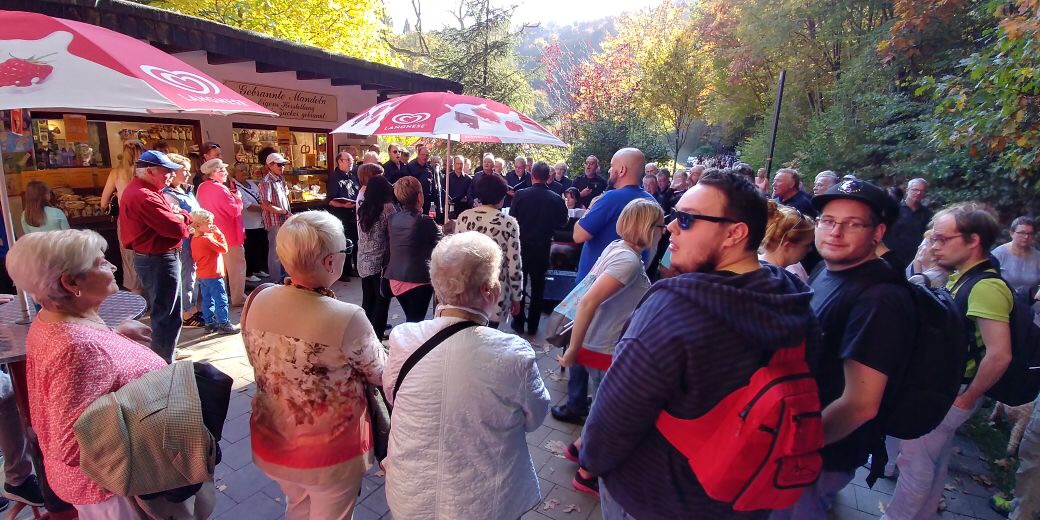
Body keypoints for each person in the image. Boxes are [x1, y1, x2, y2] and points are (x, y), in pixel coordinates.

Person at [580, 170, 818, 519]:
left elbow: (615, 415)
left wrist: (590, 462)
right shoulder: (794, 299)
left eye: (687, 220)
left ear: (735, 233)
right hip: (742, 495)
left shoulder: (673, 307)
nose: (671, 227)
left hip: (653, 497)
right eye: (675, 215)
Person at [7, 229, 213, 518]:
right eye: (101, 262)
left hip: (104, 486)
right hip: (117, 491)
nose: (113, 266)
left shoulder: (54, 319)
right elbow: (72, 446)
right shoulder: (78, 348)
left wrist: (113, 335)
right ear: (71, 283)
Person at [772, 178, 915, 519]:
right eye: (828, 221)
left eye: (852, 224)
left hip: (815, 458)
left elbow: (860, 404)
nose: (835, 232)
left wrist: (796, 447)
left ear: (878, 233)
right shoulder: (828, 268)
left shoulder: (879, 298)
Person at [382, 231, 550, 519]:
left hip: (409, 494)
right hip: (484, 504)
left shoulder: (404, 338)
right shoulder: (513, 353)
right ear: (489, 291)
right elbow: (535, 417)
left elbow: (392, 394)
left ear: (437, 287)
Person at [242, 211, 386, 520]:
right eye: (346, 249)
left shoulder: (258, 297)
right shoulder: (347, 317)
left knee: (298, 506)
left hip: (274, 439)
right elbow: (380, 373)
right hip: (329, 453)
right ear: (330, 262)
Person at [884, 202, 1012, 520]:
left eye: (942, 239)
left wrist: (966, 398)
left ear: (973, 241)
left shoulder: (986, 287)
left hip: (955, 391)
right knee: (934, 458)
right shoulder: (964, 277)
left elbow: (1000, 354)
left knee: (913, 460)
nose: (935, 245)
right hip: (951, 387)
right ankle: (924, 512)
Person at [557, 198, 664, 497]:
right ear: (647, 227)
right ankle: (586, 472)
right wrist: (574, 350)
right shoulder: (627, 261)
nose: (665, 230)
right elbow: (588, 301)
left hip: (602, 343)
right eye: (660, 225)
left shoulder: (620, 249)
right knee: (610, 413)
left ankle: (579, 448)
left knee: (603, 405)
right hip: (604, 347)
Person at [552, 148, 657, 425]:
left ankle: (576, 404)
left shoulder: (610, 198)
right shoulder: (649, 200)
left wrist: (592, 208)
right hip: (624, 294)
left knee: (584, 336)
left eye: (612, 165)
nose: (608, 170)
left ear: (621, 170)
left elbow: (578, 235)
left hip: (593, 285)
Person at [119, 150, 192, 362]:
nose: (171, 175)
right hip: (159, 258)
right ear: (150, 171)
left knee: (166, 312)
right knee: (167, 314)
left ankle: (166, 353)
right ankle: (163, 361)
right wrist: (183, 216)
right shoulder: (144, 195)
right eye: (166, 171)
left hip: (155, 257)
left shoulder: (144, 190)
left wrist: (178, 215)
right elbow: (175, 228)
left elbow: (173, 221)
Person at [509, 161, 569, 335]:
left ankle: (518, 321)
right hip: (543, 247)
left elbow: (512, 218)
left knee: (520, 285)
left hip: (522, 246)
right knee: (538, 287)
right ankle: (533, 325)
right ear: (548, 176)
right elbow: (563, 222)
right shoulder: (555, 198)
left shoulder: (520, 195)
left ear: (532, 176)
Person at [456, 174, 522, 328]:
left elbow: (457, 255)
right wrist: (516, 297)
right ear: (502, 197)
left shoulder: (464, 218)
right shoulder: (508, 223)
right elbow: (514, 264)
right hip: (494, 294)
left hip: (467, 290)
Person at [386, 177, 442, 322]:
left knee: (412, 319)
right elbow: (442, 243)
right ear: (419, 196)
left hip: (395, 278)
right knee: (415, 322)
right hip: (417, 278)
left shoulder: (392, 218)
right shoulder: (424, 221)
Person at [197, 158, 247, 310]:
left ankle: (220, 297)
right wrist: (238, 198)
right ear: (213, 173)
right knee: (236, 267)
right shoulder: (221, 189)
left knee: (219, 269)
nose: (225, 173)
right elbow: (234, 210)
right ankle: (238, 297)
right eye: (222, 170)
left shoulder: (201, 188)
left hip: (211, 234)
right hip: (229, 235)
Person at [163, 153, 204, 331]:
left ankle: (192, 308)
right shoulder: (168, 194)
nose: (188, 174)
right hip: (184, 241)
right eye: (184, 171)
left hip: (195, 238)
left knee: (193, 275)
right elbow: (176, 219)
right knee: (186, 275)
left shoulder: (185, 190)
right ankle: (187, 313)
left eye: (188, 170)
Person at [100, 140, 145, 293]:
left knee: (129, 260)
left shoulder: (116, 173)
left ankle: (138, 298)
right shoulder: (146, 172)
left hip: (126, 221)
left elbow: (103, 203)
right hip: (146, 219)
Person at [357, 172, 396, 339]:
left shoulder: (363, 207)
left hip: (363, 260)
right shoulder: (387, 208)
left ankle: (365, 337)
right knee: (381, 302)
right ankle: (377, 340)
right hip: (380, 262)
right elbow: (394, 232)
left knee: (368, 300)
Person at [188, 209, 238, 335]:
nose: (212, 226)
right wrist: (220, 234)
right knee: (221, 299)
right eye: (209, 223)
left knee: (207, 300)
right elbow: (224, 248)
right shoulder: (206, 240)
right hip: (214, 274)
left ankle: (209, 323)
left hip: (202, 275)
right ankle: (224, 323)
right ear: (198, 225)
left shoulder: (195, 239)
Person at [759, 200, 816, 282]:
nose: (810, 249)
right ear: (788, 246)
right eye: (807, 245)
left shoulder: (754, 266)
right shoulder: (787, 279)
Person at [883, 178, 933, 269]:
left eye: (922, 191)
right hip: (891, 259)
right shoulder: (893, 210)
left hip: (913, 261)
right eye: (915, 189)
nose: (918, 193)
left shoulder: (927, 214)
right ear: (907, 190)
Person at [327, 152, 361, 282]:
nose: (351, 163)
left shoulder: (352, 176)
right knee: (342, 243)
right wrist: (343, 205)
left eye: (352, 160)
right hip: (340, 215)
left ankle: (352, 269)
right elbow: (330, 200)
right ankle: (342, 272)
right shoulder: (334, 178)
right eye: (348, 160)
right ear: (340, 161)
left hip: (353, 213)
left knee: (354, 242)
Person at [259, 153, 292, 281]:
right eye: (279, 164)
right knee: (275, 251)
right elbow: (265, 205)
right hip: (274, 221)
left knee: (284, 250)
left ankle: (283, 278)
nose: (282, 167)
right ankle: (276, 280)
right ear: (270, 165)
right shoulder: (266, 182)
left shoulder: (280, 179)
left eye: (283, 164)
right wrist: (284, 212)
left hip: (283, 219)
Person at [233, 161, 268, 281]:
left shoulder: (251, 183)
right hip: (248, 222)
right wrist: (267, 208)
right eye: (241, 170)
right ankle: (248, 273)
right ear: (234, 173)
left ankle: (257, 269)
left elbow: (260, 196)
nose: (244, 172)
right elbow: (247, 205)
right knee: (250, 248)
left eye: (246, 169)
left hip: (260, 221)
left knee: (260, 246)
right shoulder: (235, 187)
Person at [991, 216, 1040, 292]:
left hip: (1031, 299)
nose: (1026, 237)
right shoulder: (998, 254)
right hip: (1003, 297)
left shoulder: (1037, 257)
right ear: (1011, 233)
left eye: (1030, 233)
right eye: (1022, 233)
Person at [407, 143, 439, 215]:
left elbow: (434, 188)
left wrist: (433, 206)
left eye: (427, 155)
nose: (425, 157)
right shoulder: (410, 166)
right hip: (415, 201)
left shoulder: (430, 168)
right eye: (423, 154)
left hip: (428, 200)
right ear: (418, 154)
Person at [445, 155, 473, 219]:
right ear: (454, 164)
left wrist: (467, 198)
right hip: (450, 208)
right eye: (457, 164)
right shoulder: (447, 177)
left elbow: (470, 194)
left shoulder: (469, 179)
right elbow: (443, 191)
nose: (459, 166)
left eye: (461, 164)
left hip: (464, 209)